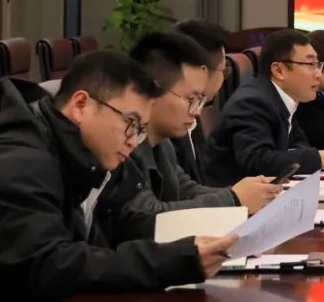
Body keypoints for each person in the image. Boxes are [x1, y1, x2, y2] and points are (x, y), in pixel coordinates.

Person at [0, 51, 236, 302]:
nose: (133, 140)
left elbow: (130, 222)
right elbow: (54, 267)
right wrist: (176, 260)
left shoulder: (90, 157)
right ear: (81, 105)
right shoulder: (17, 163)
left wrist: (201, 243)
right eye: (130, 123)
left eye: (141, 130)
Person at [97, 32, 283, 243]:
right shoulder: (125, 143)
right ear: (152, 90)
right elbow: (147, 218)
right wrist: (234, 198)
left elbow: (186, 190)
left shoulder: (163, 143)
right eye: (191, 99)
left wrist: (245, 193)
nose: (197, 112)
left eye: (201, 100)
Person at [203, 29, 324, 186]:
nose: (318, 74)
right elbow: (257, 160)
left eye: (318, 65)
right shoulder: (253, 102)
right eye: (310, 65)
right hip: (233, 197)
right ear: (279, 70)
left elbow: (299, 145)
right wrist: (319, 159)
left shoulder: (283, 98)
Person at [172, 18, 230, 184]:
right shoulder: (169, 126)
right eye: (224, 71)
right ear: (203, 70)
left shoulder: (193, 111)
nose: (196, 111)